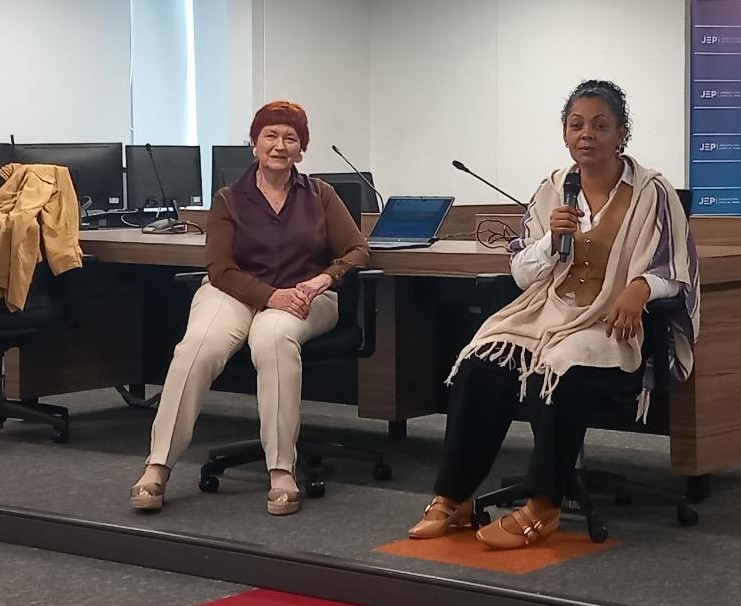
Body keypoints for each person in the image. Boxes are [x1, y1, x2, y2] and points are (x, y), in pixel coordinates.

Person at [408, 80, 700, 549]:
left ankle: (543, 506)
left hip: (612, 324)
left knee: (561, 369)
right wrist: (549, 241)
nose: (587, 134)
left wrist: (641, 287)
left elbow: (675, 268)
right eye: (576, 125)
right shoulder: (553, 190)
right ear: (565, 134)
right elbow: (522, 272)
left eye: (600, 125)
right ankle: (455, 496)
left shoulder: (652, 192)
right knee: (481, 362)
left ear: (621, 134)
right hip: (549, 313)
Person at [130, 101, 370, 516]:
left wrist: (323, 279)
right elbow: (220, 269)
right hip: (234, 291)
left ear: (301, 149)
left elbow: (357, 250)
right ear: (254, 144)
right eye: (270, 136)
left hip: (305, 295)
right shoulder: (229, 199)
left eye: (290, 138)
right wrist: (269, 296)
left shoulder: (320, 194)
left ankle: (281, 470)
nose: (280, 145)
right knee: (197, 347)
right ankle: (157, 466)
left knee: (273, 337)